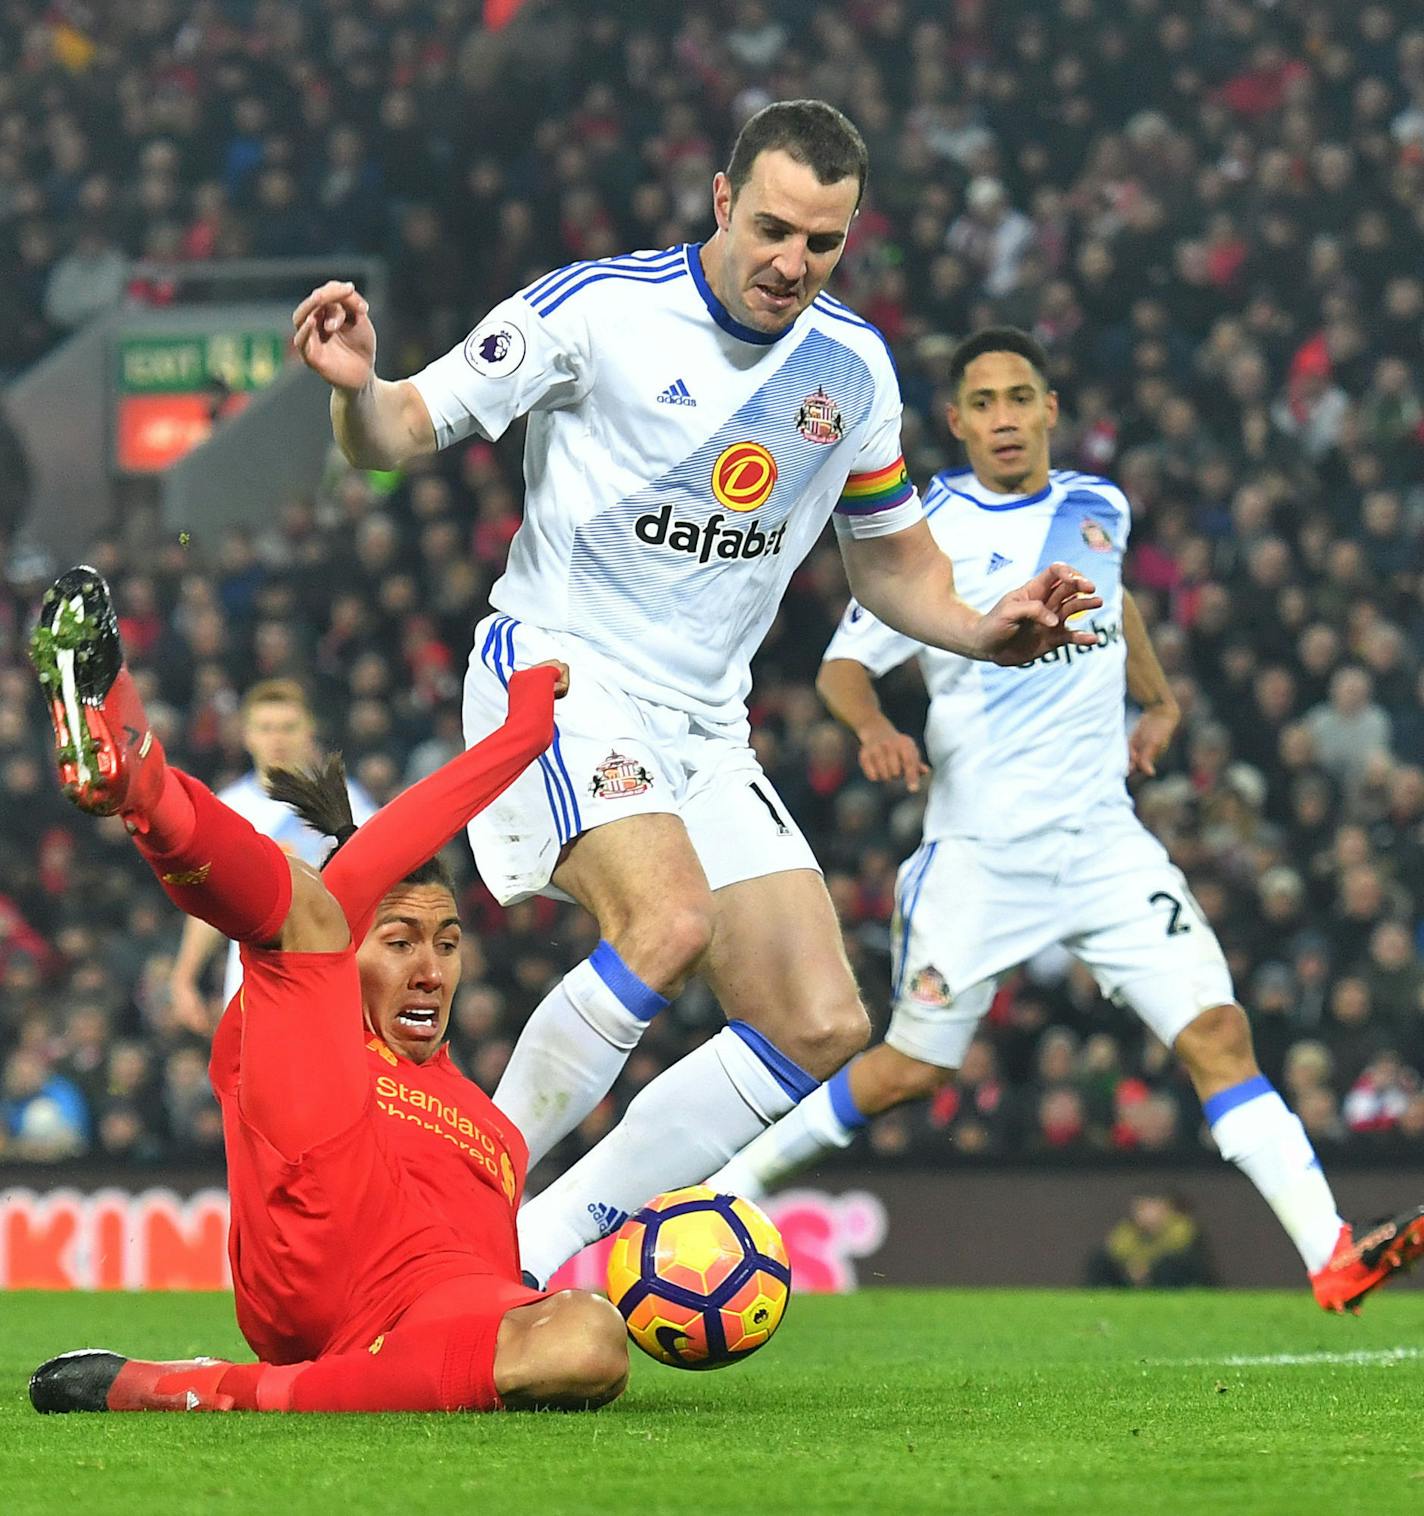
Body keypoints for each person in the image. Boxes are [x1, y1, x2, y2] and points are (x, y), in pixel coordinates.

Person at [293, 99, 1101, 1285]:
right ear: (721, 200)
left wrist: (982, 628)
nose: (790, 263)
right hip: (556, 672)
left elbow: (890, 562)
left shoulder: (850, 369)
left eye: (820, 244)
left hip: (702, 724)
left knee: (819, 1018)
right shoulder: (597, 311)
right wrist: (355, 388)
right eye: (771, 228)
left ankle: (523, 1243)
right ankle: (454, 1203)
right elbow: (397, 430)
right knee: (667, 922)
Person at [708, 327, 1424, 1316]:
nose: (1003, 417)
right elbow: (840, 666)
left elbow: (1115, 604)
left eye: (1019, 397)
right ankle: (723, 1191)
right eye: (983, 402)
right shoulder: (925, 536)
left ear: (1048, 409)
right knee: (906, 1070)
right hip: (978, 855)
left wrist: (1158, 699)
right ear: (954, 422)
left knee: (1217, 1033)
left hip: (1102, 843)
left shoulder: (1098, 506)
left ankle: (1329, 1254)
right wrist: (872, 726)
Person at [27, 566, 626, 1414]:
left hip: (439, 1325)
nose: (431, 966)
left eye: (449, 944)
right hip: (317, 1227)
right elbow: (397, 843)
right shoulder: (322, 1015)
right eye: (402, 940)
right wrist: (523, 732)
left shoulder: (493, 1128)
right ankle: (135, 776)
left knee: (590, 1334)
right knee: (305, 920)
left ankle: (193, 1385)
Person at [168, 678, 376, 1033]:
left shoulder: (349, 806)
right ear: (246, 735)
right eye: (265, 728)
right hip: (253, 992)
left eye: (288, 727)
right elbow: (211, 900)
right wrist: (184, 977)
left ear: (309, 730)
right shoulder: (228, 808)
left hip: (334, 987)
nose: (276, 738)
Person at [1083, 1192, 1216, 1290]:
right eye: (1142, 1209)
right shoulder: (1126, 1231)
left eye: (1152, 1208)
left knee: (1170, 1264)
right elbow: (1116, 1250)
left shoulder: (1182, 1228)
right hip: (1131, 1278)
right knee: (1099, 1259)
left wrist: (1149, 1266)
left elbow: (1175, 1250)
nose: (1148, 1214)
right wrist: (1132, 1266)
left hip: (1168, 1280)